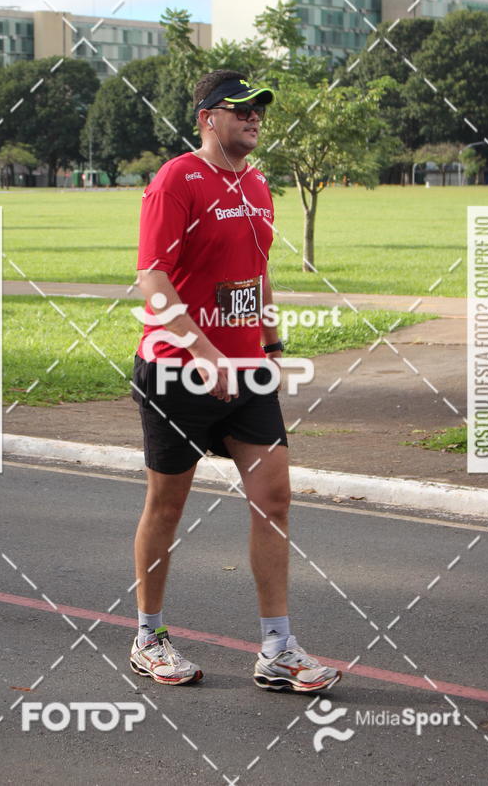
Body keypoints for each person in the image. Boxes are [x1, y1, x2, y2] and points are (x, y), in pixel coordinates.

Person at [129, 69, 342, 693]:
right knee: (167, 507)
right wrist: (203, 352)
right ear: (207, 117)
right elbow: (153, 278)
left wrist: (270, 345)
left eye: (259, 111)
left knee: (274, 499)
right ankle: (149, 636)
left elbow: (257, 273)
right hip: (176, 368)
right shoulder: (176, 180)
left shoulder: (257, 183)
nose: (254, 118)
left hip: (246, 370)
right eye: (240, 108)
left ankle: (277, 648)